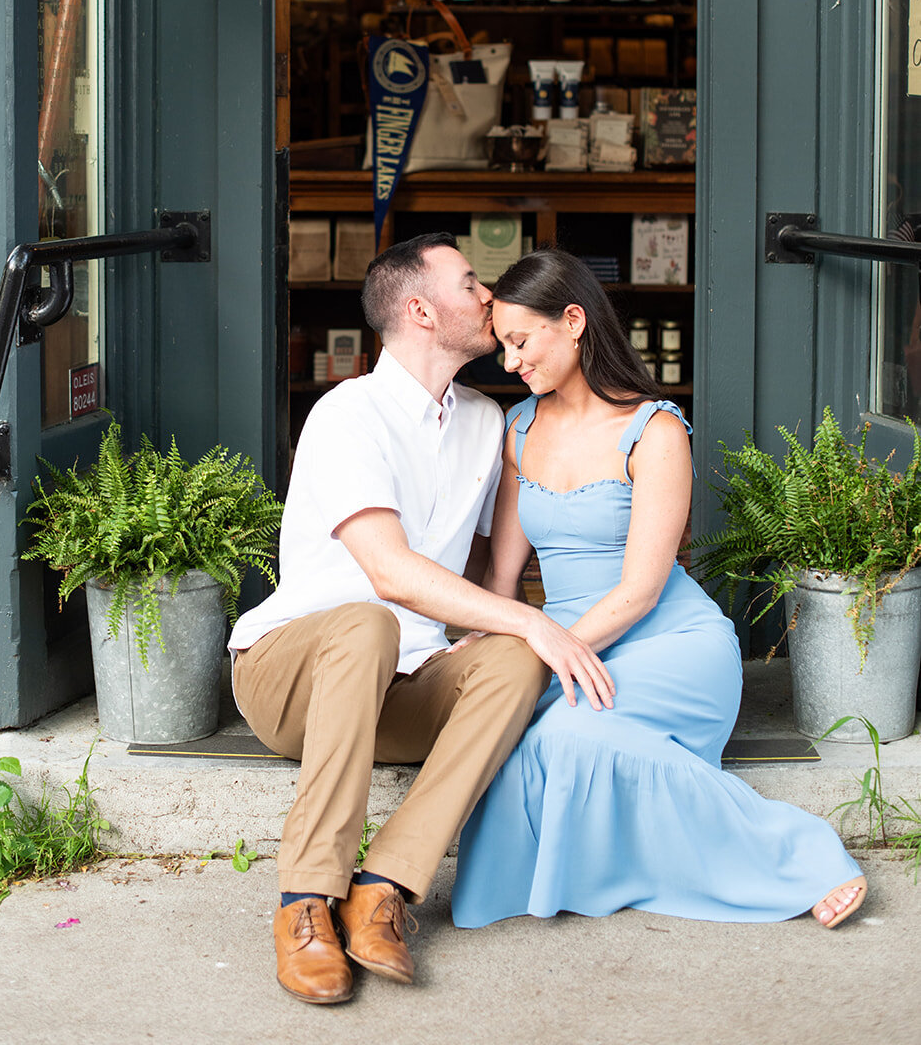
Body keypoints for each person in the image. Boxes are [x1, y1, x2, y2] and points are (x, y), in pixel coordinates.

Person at [228, 232, 616, 1005]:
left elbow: (472, 569)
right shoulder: (347, 415)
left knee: (514, 656)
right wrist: (530, 617)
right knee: (367, 619)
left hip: (400, 684)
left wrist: (513, 625)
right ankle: (303, 903)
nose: (488, 295)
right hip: (290, 675)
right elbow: (390, 573)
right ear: (419, 309)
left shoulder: (485, 421)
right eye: (470, 282)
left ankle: (383, 892)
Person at [452, 248, 867, 932]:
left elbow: (642, 591)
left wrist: (543, 650)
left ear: (574, 321)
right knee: (524, 743)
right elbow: (502, 578)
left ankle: (800, 853)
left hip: (668, 643)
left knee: (566, 742)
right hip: (565, 643)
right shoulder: (517, 430)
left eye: (520, 341)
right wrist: (485, 641)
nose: (509, 362)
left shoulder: (657, 429)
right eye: (502, 345)